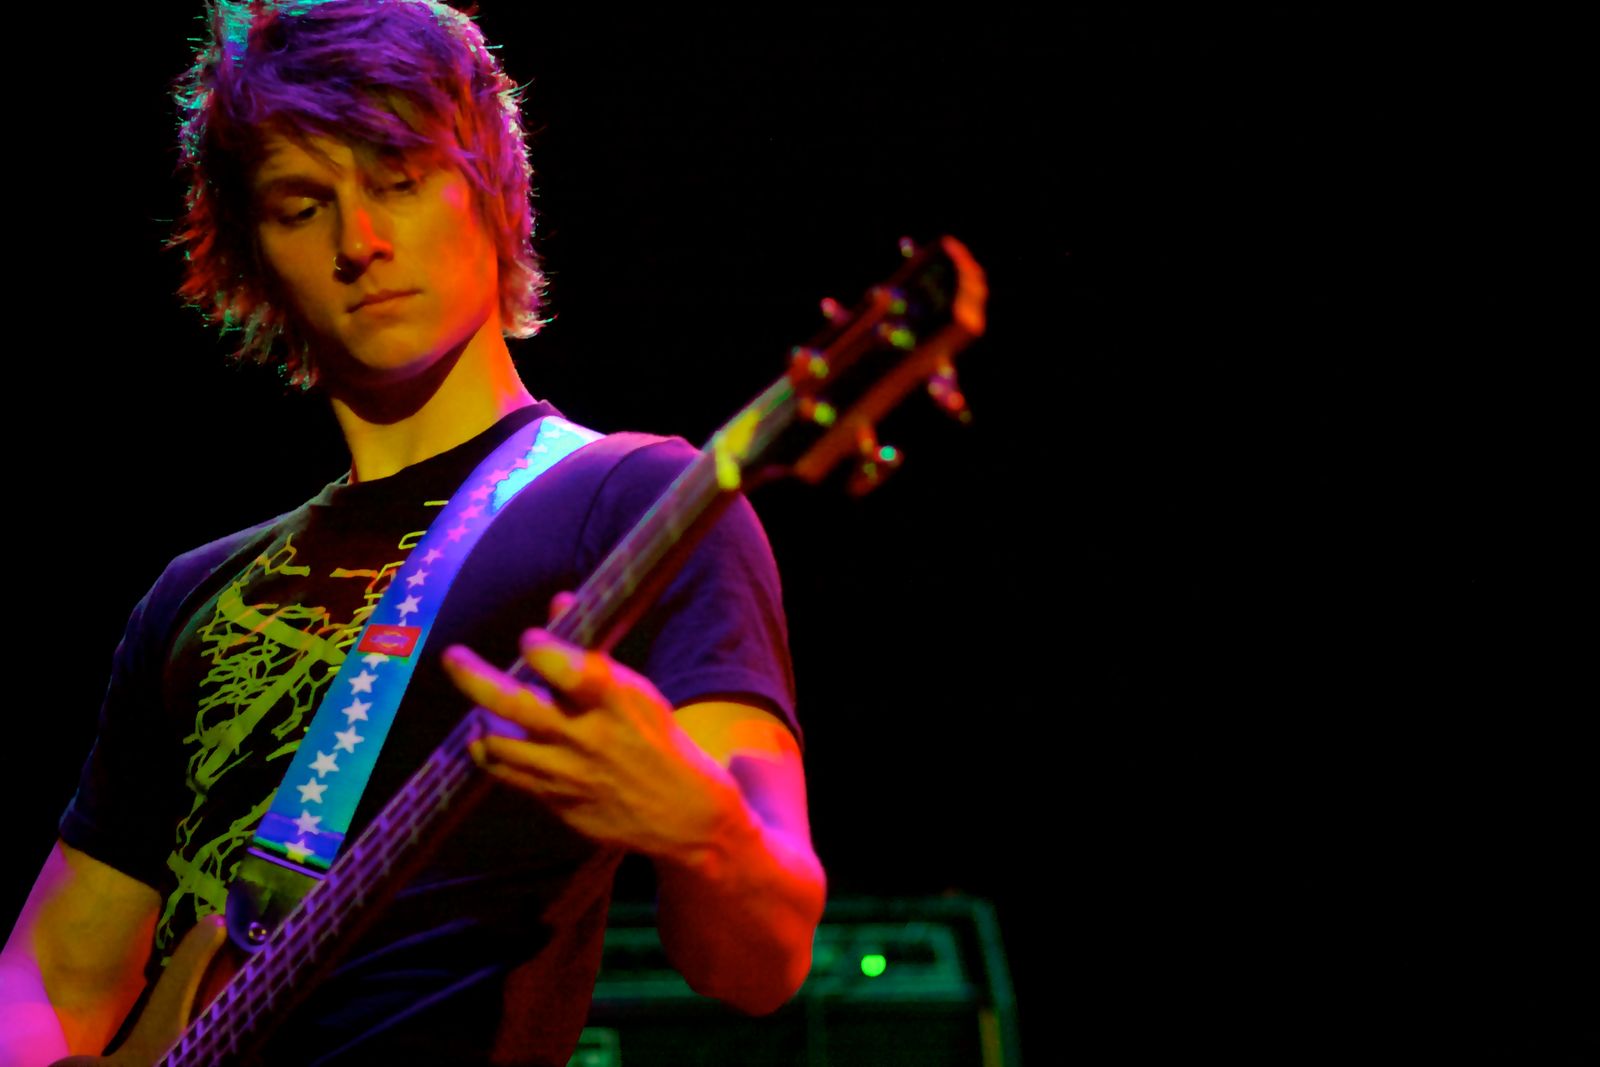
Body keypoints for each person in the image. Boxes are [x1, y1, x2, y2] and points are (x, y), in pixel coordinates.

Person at [0, 2, 825, 1064]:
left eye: (398, 179)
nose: (360, 242)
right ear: (251, 254)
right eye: (303, 206)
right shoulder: (191, 594)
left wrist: (706, 832)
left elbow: (763, 963)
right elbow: (51, 975)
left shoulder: (640, 504)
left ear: (494, 192)